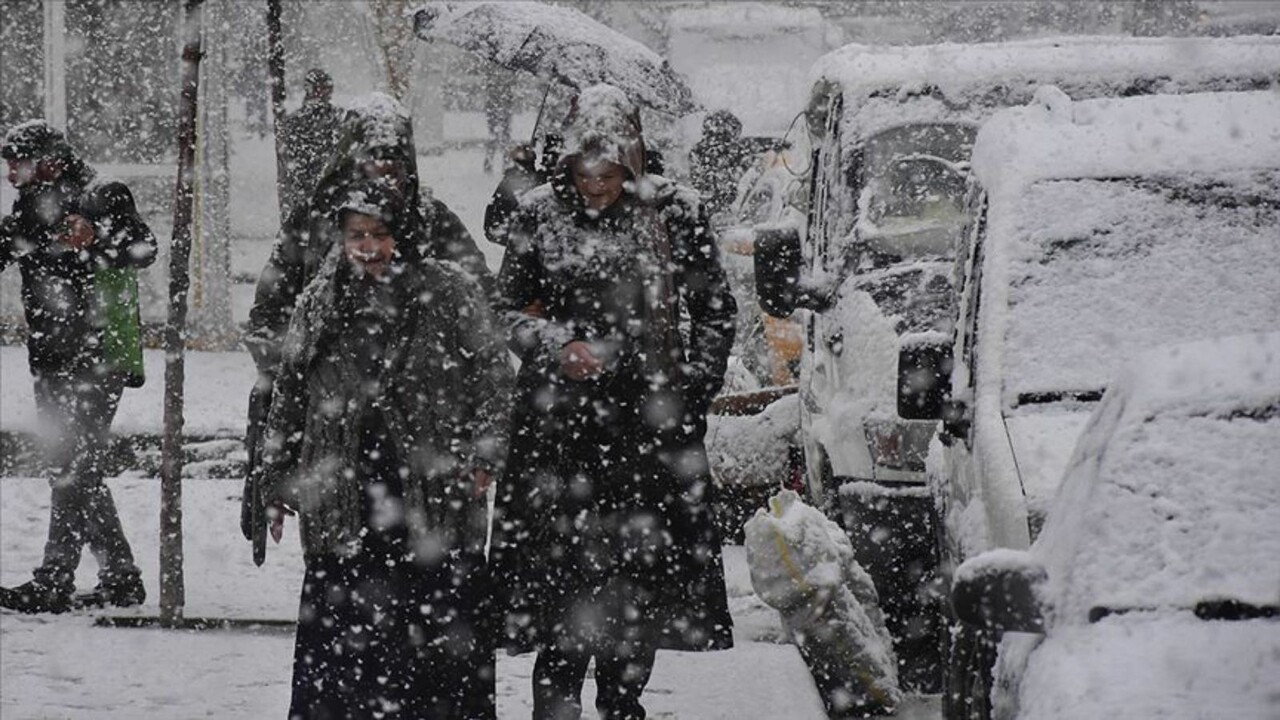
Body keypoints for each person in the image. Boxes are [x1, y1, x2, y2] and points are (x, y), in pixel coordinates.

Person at [490, 84, 738, 720]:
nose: (596, 186)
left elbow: (714, 308)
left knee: (639, 582)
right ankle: (558, 702)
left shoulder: (675, 211)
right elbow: (504, 309)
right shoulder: (539, 213)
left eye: (608, 173)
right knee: (559, 581)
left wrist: (691, 391)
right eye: (583, 172)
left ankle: (622, 702)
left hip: (648, 429)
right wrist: (555, 343)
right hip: (557, 427)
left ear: (632, 160)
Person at [253, 179, 510, 719]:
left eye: (380, 233)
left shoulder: (448, 290)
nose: (368, 247)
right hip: (344, 492)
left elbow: (493, 375)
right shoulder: (320, 299)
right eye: (356, 235)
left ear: (406, 234)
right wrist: (275, 480)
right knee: (346, 648)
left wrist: (485, 454)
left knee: (436, 634)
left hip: (433, 490)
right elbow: (290, 392)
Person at [243, 92, 492, 546]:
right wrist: (315, 377)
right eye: (373, 161)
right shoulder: (314, 223)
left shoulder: (434, 222)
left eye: (395, 163)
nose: (385, 174)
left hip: (424, 442)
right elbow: (267, 319)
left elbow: (483, 315)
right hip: (336, 441)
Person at [0, 120, 156, 613]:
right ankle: (121, 578)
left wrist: (97, 238)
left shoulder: (102, 194)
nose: (9, 175)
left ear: (49, 160)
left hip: (100, 356)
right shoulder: (29, 208)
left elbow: (144, 249)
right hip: (49, 359)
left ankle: (54, 580)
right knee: (72, 467)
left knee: (72, 467)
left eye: (16, 164)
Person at [278, 68, 344, 221]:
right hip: (312, 193)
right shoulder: (295, 121)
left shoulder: (340, 118)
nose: (323, 93)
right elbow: (289, 160)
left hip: (325, 193)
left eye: (327, 88)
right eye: (320, 88)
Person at [688, 109, 751, 219]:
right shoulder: (729, 150)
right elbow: (700, 182)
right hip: (715, 206)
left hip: (711, 205)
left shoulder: (699, 150)